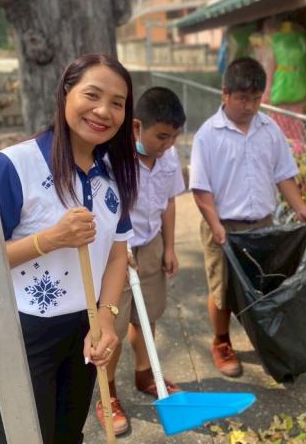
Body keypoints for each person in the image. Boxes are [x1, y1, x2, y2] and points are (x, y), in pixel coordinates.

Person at [0, 53, 138, 444]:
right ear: (66, 93)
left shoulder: (113, 172)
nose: (104, 111)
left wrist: (106, 320)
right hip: (23, 334)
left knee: (68, 435)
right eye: (92, 95)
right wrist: (49, 239)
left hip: (84, 329)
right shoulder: (14, 165)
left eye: (118, 103)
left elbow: (117, 254)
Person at [190, 56, 306, 378]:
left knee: (263, 286)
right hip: (223, 227)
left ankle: (263, 337)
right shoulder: (208, 135)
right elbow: (201, 190)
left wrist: (301, 208)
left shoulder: (269, 128)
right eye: (243, 98)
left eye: (256, 98)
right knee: (221, 289)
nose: (250, 106)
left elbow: (284, 174)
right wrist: (215, 225)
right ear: (225, 93)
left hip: (263, 226)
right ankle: (221, 342)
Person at [96, 87, 186, 435]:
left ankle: (145, 374)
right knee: (113, 330)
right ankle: (107, 396)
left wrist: (169, 247)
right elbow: (99, 211)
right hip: (115, 256)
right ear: (136, 127)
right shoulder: (112, 159)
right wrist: (117, 250)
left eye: (174, 137)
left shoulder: (169, 157)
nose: (168, 144)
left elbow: (169, 202)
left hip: (150, 246)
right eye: (161, 136)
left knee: (148, 315)